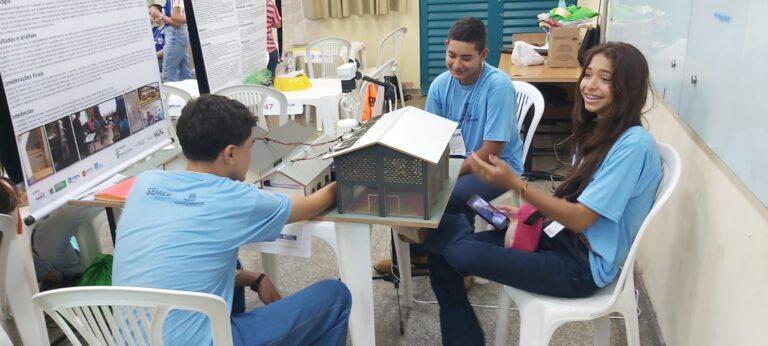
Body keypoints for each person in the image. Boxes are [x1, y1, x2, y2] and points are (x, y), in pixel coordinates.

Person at [421, 42, 663, 344]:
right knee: (442, 251)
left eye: (606, 78)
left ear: (629, 87)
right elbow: (572, 201)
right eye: (588, 75)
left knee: (457, 250)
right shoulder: (597, 132)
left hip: (583, 265)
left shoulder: (633, 146)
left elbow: (579, 218)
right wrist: (526, 213)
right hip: (559, 236)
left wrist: (516, 185)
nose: (590, 85)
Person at [112, 94, 351, 345]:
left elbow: (182, 268)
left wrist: (254, 278)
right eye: (250, 146)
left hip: (130, 339)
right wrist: (345, 179)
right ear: (230, 154)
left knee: (229, 262)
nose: (251, 154)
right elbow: (312, 205)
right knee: (334, 296)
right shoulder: (233, 198)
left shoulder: (146, 183)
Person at [374, 17, 524, 279]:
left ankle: (461, 267)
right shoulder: (440, 85)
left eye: (467, 58)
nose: (457, 64)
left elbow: (491, 153)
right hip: (456, 161)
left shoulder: (498, 87)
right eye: (452, 55)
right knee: (400, 186)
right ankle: (412, 255)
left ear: (483, 54)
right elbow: (430, 138)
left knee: (448, 196)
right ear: (446, 47)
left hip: (498, 167)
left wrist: (443, 172)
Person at [162, 0, 195, 82]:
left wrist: (159, 14)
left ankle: (173, 94)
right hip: (179, 33)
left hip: (176, 33)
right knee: (184, 71)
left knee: (168, 74)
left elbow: (176, 19)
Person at [266, 0, 282, 77]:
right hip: (270, 51)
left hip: (249, 53)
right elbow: (278, 24)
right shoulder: (269, 3)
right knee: (269, 85)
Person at [149, 4, 166, 72]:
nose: (151, 16)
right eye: (149, 14)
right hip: (154, 59)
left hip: (162, 59)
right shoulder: (153, 30)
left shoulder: (167, 29)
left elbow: (168, 48)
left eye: (152, 13)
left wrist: (154, 56)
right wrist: (149, 21)